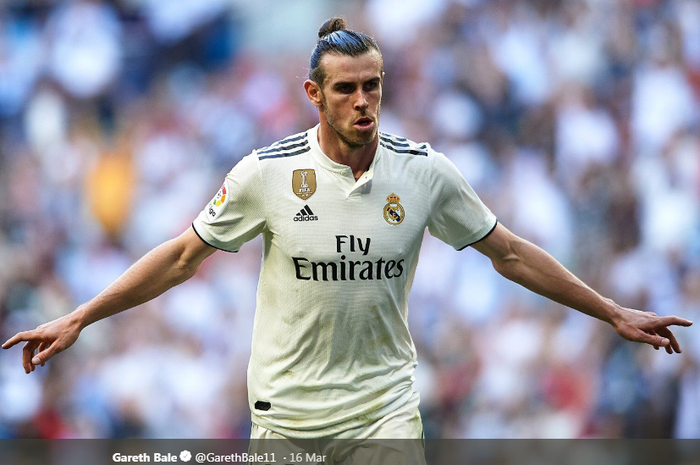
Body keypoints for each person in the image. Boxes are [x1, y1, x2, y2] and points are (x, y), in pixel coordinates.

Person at [2, 16, 693, 462]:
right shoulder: (265, 173)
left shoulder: (424, 172)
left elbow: (508, 253)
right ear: (313, 93)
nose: (364, 101)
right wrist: (81, 315)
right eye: (347, 90)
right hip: (287, 419)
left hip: (384, 410)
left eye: (374, 86)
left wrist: (611, 311)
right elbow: (183, 256)